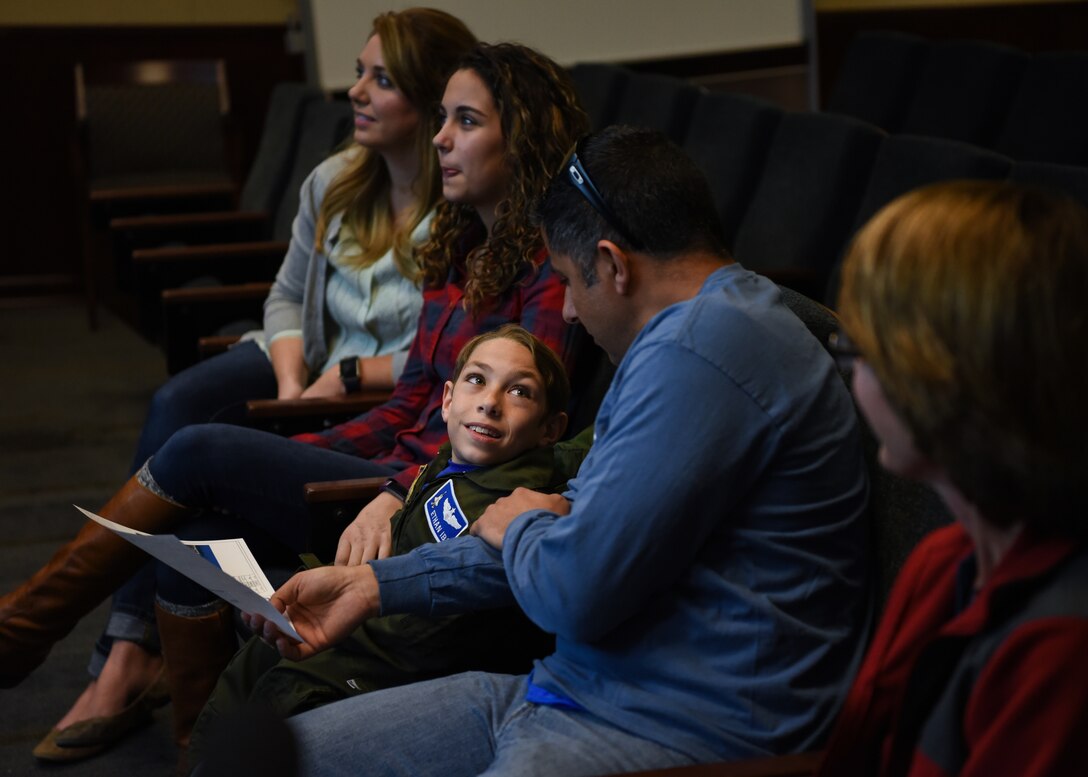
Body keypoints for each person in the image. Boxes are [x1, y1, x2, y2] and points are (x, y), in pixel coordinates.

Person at [0, 41, 587, 760]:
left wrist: (393, 492)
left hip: (431, 506)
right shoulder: (461, 245)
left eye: (465, 121)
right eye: (441, 118)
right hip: (385, 478)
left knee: (197, 446)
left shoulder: (550, 275)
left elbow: (506, 429)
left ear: (519, 140)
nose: (440, 138)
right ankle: (199, 748)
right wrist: (297, 457)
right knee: (200, 515)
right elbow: (409, 405)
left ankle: (20, 630)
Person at [247, 125, 871, 776]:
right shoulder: (682, 337)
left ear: (613, 264)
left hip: (667, 731)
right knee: (275, 761)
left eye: (571, 282)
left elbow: (571, 586)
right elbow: (567, 544)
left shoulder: (703, 348)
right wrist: (371, 584)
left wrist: (526, 523)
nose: (568, 311)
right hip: (562, 691)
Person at [189, 323, 592, 764]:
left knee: (264, 716)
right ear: (448, 400)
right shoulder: (454, 457)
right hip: (344, 635)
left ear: (550, 429)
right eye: (477, 379)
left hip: (376, 670)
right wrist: (393, 491)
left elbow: (590, 447)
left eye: (519, 392)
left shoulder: (509, 499)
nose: (490, 403)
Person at [814, 181, 1088, 777]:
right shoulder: (943, 562)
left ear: (936, 371)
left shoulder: (1062, 649)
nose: (853, 379)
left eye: (854, 347)